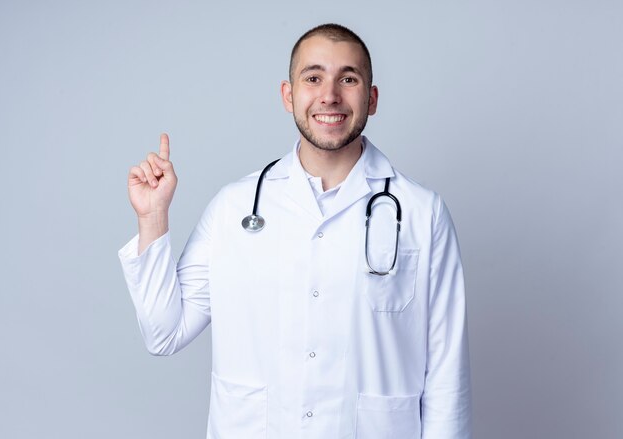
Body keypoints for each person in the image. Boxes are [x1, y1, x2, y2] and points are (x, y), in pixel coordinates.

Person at [119, 23, 471, 439]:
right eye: (313, 77)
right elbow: (164, 333)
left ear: (371, 99)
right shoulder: (234, 207)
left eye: (349, 79)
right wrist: (152, 218)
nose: (330, 95)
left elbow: (448, 374)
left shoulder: (421, 214)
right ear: (288, 95)